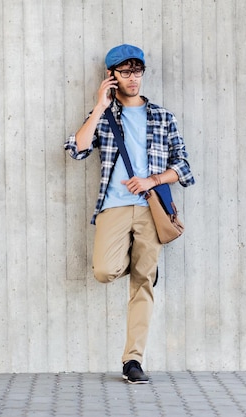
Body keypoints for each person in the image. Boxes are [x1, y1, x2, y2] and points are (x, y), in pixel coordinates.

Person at [64, 44, 195, 384]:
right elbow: (76, 150)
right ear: (112, 77)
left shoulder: (163, 117)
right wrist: (99, 107)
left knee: (143, 285)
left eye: (137, 72)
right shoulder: (104, 118)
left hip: (151, 210)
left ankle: (133, 360)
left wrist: (152, 179)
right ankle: (135, 262)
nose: (133, 79)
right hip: (114, 207)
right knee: (105, 270)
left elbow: (183, 166)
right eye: (125, 73)